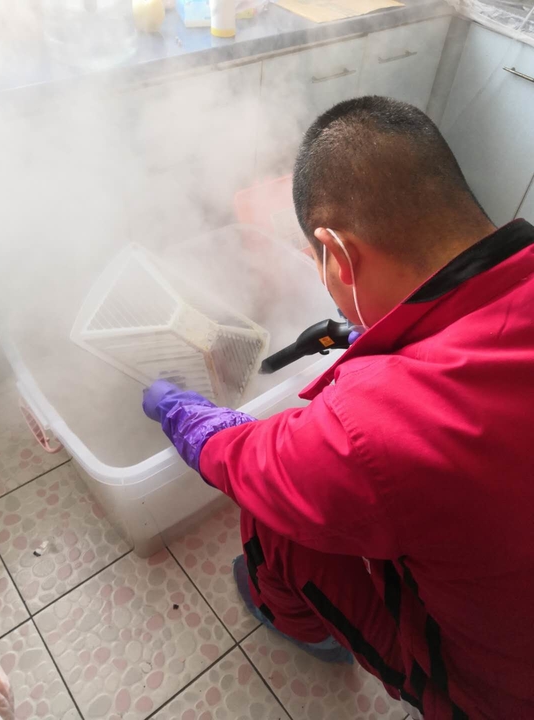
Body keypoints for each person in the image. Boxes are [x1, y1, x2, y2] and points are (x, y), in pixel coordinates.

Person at [143, 96, 534, 720]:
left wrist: (179, 411)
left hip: (487, 697)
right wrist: (392, 336)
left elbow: (249, 458)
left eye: (316, 263)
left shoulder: (374, 428)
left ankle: (302, 626)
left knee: (274, 518)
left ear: (338, 254)